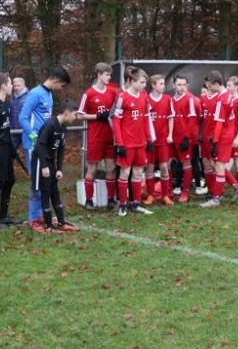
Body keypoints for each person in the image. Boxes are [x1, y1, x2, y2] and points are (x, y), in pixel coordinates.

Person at [19, 67, 71, 227]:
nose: (60, 89)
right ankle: (33, 218)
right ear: (56, 81)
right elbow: (22, 118)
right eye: (61, 86)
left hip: (45, 145)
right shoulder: (35, 94)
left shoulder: (48, 94)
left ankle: (40, 214)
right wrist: (33, 135)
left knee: (45, 181)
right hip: (34, 145)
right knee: (36, 181)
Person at [29, 102, 81, 233]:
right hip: (41, 161)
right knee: (45, 192)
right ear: (67, 112)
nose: (75, 118)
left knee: (55, 191)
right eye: (75, 114)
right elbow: (40, 145)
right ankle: (49, 227)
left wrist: (59, 169)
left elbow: (61, 148)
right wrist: (44, 166)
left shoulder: (63, 127)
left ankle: (62, 222)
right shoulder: (50, 125)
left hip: (50, 161)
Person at [112, 66, 155, 216]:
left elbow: (145, 118)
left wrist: (149, 138)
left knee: (138, 172)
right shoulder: (122, 97)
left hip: (140, 142)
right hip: (127, 143)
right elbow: (116, 121)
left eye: (145, 83)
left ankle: (136, 203)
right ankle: (123, 204)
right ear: (132, 82)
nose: (144, 86)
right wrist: (120, 143)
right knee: (125, 172)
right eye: (142, 82)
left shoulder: (144, 96)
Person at [199, 71, 238, 207]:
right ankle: (236, 186)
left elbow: (219, 123)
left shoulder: (221, 99)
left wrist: (215, 142)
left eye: (210, 85)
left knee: (219, 166)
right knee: (216, 165)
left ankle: (216, 199)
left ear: (216, 84)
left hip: (223, 137)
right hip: (227, 134)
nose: (208, 87)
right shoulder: (227, 96)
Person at [76, 63, 118, 210]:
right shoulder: (88, 93)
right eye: (107, 74)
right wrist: (97, 116)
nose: (109, 77)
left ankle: (111, 199)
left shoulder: (113, 92)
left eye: (110, 74)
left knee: (111, 168)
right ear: (99, 74)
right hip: (95, 137)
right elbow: (79, 115)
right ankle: (89, 200)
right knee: (92, 168)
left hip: (109, 137)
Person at [0, 73, 22, 228]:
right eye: (9, 83)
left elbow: (6, 131)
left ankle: (3, 216)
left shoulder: (6, 105)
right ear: (2, 86)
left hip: (7, 150)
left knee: (10, 181)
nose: (11, 86)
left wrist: (12, 150)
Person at [144, 74, 175, 206]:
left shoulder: (167, 99)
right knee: (150, 167)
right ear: (153, 85)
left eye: (164, 83)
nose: (163, 86)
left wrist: (170, 135)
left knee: (164, 166)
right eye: (161, 83)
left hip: (163, 139)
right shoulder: (146, 99)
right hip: (150, 140)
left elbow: (171, 118)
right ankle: (150, 195)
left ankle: (165, 195)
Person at [170, 74, 200, 203]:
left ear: (187, 85)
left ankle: (185, 192)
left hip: (185, 139)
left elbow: (193, 120)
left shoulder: (190, 99)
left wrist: (187, 138)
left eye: (184, 85)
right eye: (179, 85)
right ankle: (170, 190)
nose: (181, 87)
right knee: (170, 164)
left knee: (186, 164)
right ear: (174, 85)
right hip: (172, 138)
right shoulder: (171, 100)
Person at [10, 77, 29, 149]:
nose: (16, 88)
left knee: (29, 151)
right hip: (14, 130)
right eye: (15, 86)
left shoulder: (29, 96)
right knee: (10, 152)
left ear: (23, 84)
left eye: (18, 85)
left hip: (25, 130)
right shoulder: (12, 97)